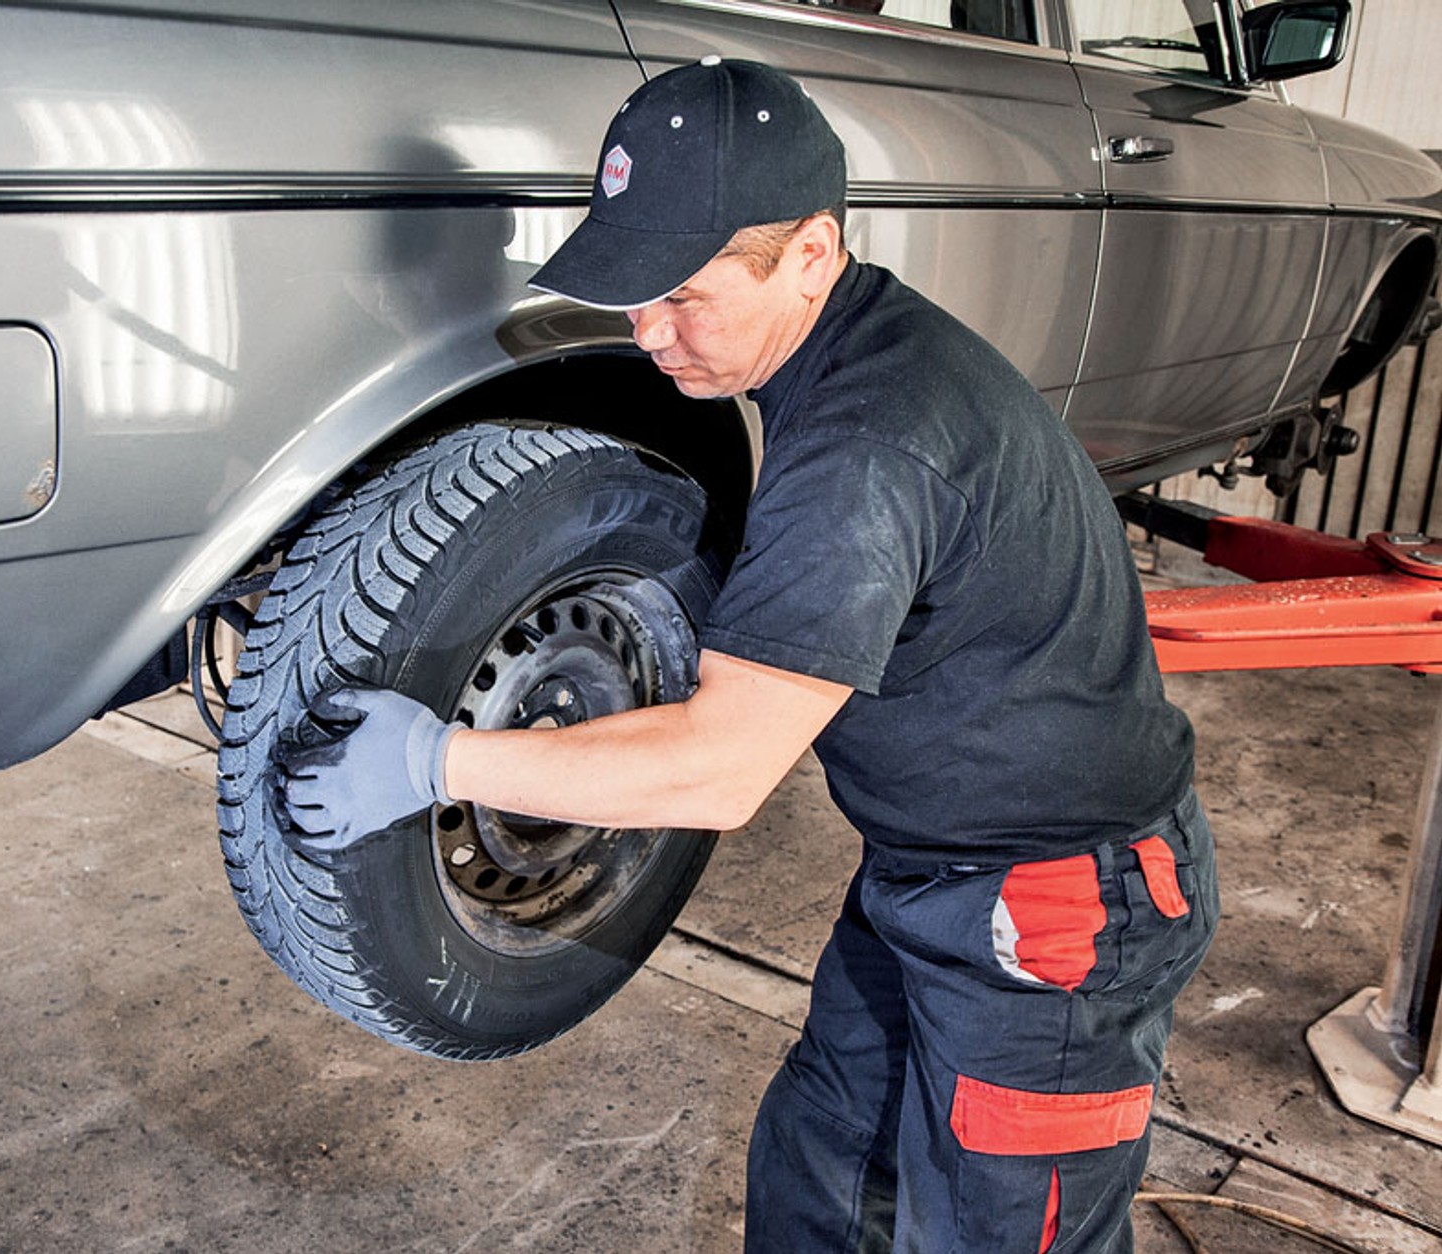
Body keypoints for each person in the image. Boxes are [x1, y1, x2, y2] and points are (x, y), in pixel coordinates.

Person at [279, 57, 1217, 1253]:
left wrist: (440, 764)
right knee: (823, 1174)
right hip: (927, 873)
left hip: (1055, 912)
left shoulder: (870, 443)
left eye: (685, 296)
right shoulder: (841, 353)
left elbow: (718, 771)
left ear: (812, 253)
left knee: (990, 1229)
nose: (646, 332)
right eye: (632, 292)